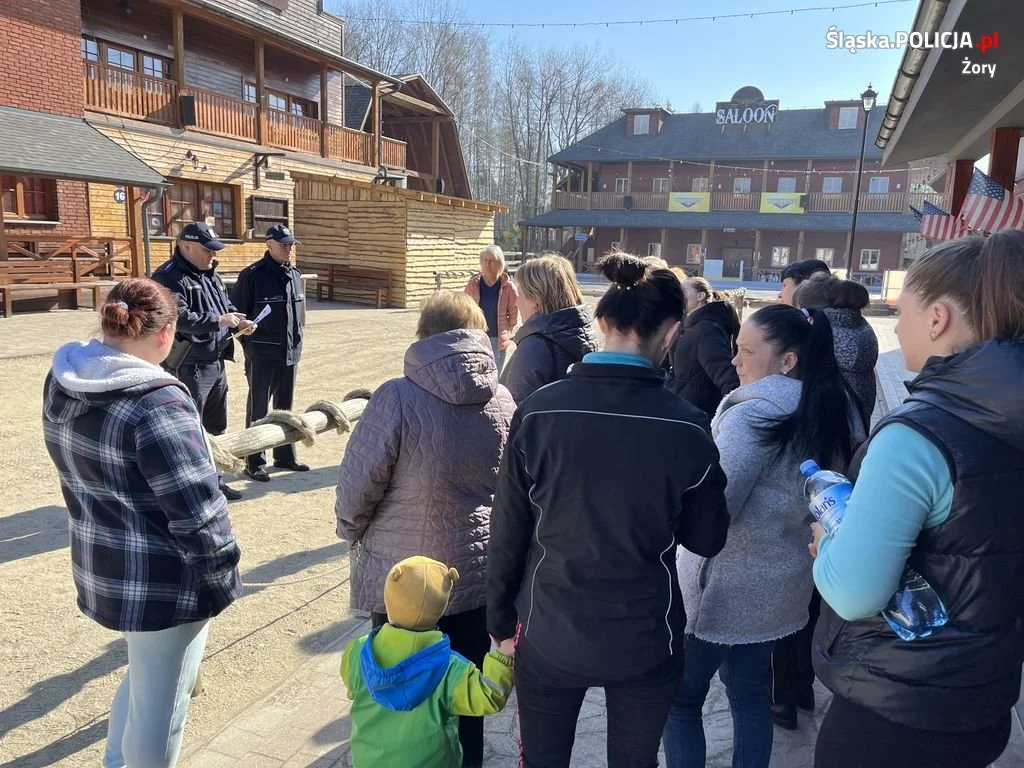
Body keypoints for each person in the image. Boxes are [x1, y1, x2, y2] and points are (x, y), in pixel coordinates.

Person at [488, 253, 731, 768]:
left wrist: (498, 621)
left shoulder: (539, 412)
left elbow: (507, 530)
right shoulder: (688, 426)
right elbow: (708, 538)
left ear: (600, 323)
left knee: (542, 760)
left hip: (550, 627)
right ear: (670, 330)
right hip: (645, 636)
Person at [810, 232, 1024, 768]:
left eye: (903, 310)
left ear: (938, 319)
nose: (896, 326)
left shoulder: (918, 438)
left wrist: (826, 545)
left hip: (896, 711)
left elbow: (855, 592)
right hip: (987, 698)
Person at [42, 279, 242, 768]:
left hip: (105, 559)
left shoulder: (64, 378)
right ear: (165, 333)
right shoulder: (157, 402)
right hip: (166, 580)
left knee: (147, 678)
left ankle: (116, 760)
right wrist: (223, 577)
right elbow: (199, 512)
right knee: (163, 706)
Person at [664, 304, 863, 768]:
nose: (735, 361)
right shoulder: (826, 406)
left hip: (723, 588)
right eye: (736, 348)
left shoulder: (755, 414)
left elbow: (717, 507)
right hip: (779, 585)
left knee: (681, 701)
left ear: (787, 360)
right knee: (750, 696)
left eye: (747, 351)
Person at [335, 291, 515, 768]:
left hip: (404, 580)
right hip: (475, 574)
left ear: (423, 335)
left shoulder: (396, 395)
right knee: (466, 695)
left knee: (396, 689)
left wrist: (350, 528)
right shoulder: (502, 400)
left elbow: (359, 483)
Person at [341, 556, 514, 767]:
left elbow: (352, 688)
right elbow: (489, 696)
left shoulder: (357, 651)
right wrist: (502, 656)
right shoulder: (451, 667)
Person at [153, 222, 253, 500]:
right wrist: (219, 321)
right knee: (190, 429)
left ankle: (214, 481)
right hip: (190, 364)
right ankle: (191, 486)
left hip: (215, 359)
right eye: (206, 249)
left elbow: (226, 307)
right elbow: (178, 319)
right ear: (185, 246)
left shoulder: (210, 274)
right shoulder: (168, 278)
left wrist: (238, 320)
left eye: (214, 249)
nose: (212, 254)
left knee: (215, 425)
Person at [231, 223, 308, 482]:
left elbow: (299, 316)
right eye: (283, 244)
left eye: (290, 245)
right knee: (259, 408)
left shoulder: (295, 275)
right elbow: (238, 316)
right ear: (269, 244)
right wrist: (249, 344)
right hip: (262, 353)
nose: (288, 249)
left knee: (285, 406)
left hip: (290, 351)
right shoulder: (252, 275)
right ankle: (254, 461)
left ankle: (284, 455)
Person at [500, 253, 599, 403]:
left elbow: (516, 410)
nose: (516, 303)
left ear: (535, 299)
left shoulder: (534, 346)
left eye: (519, 294)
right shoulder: (585, 333)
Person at [795, 272, 878, 431]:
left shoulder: (826, 337)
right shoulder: (860, 326)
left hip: (831, 435)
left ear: (811, 312)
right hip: (857, 431)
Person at [666, 276, 740, 419]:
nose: (679, 295)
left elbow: (725, 373)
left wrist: (734, 413)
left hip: (698, 410)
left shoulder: (707, 330)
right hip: (682, 406)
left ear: (700, 296)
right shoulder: (686, 326)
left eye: (684, 291)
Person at [465, 245, 518, 371]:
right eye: (485, 260)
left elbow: (514, 311)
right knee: (478, 372)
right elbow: (465, 307)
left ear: (499, 263)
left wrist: (508, 330)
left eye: (492, 261)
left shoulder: (507, 286)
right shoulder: (473, 284)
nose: (487, 265)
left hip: (497, 339)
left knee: (495, 373)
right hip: (477, 336)